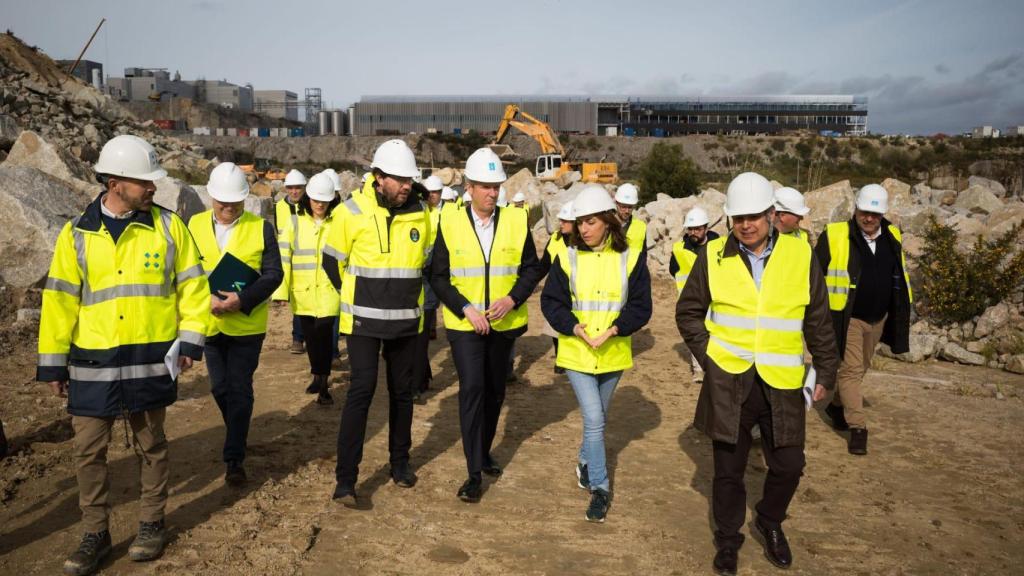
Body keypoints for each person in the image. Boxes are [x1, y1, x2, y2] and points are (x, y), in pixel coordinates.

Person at [37, 135, 210, 574]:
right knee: (88, 452)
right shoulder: (76, 233)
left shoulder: (170, 227)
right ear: (115, 183)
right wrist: (53, 361)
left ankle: (151, 523)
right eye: (144, 181)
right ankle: (95, 532)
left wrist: (191, 340)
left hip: (151, 360)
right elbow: (59, 302)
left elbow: (193, 287)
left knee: (152, 446)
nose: (153, 188)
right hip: (93, 364)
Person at [675, 172, 839, 575]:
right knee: (728, 471)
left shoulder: (800, 255)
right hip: (729, 379)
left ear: (771, 214)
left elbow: (818, 318)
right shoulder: (712, 257)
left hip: (782, 382)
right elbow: (688, 313)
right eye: (738, 218)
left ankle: (769, 519)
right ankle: (728, 540)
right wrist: (710, 354)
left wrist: (826, 372)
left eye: (753, 216)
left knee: (789, 465)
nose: (745, 225)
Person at [429, 147, 544, 503]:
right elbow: (438, 276)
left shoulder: (514, 220)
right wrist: (465, 308)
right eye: (485, 187)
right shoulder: (449, 222)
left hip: (503, 323)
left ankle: (484, 451)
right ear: (470, 188)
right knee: (473, 390)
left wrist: (511, 299)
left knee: (495, 391)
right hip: (466, 327)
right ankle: (473, 472)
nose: (493, 193)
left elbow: (530, 269)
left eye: (496, 186)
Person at [327, 139, 432, 505]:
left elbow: (427, 262)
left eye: (409, 180)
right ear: (378, 177)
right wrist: (355, 297)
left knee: (403, 394)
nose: (406, 185)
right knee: (361, 391)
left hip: (406, 323)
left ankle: (399, 463)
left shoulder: (422, 213)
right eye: (399, 179)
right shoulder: (350, 211)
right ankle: (346, 480)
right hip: (363, 324)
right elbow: (331, 261)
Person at [541, 185, 652, 523]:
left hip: (613, 353)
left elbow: (641, 306)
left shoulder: (631, 256)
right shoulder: (567, 255)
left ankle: (586, 462)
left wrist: (614, 330)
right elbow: (551, 303)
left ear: (607, 221)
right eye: (580, 223)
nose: (583, 229)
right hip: (577, 354)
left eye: (589, 222)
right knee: (594, 418)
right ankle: (601, 488)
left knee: (597, 419)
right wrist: (574, 328)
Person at [187, 162, 283, 486]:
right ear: (211, 197)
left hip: (246, 327)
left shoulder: (261, 228)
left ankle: (234, 458)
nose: (227, 207)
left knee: (240, 389)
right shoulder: (194, 225)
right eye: (221, 201)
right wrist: (207, 301)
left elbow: (273, 274)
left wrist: (242, 301)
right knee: (219, 388)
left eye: (234, 201)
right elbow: (186, 275)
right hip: (210, 323)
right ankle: (237, 431)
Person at [815, 184, 911, 455]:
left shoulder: (892, 235)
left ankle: (835, 405)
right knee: (850, 371)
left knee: (860, 369)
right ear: (856, 209)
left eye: (875, 214)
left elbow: (898, 274)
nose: (869, 219)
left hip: (878, 318)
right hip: (848, 318)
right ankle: (858, 427)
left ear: (883, 215)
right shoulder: (835, 235)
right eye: (865, 212)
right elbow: (814, 275)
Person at [279, 172, 340, 406]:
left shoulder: (338, 222)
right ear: (309, 199)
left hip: (329, 292)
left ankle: (324, 384)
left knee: (324, 336)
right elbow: (285, 256)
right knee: (312, 339)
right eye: (316, 200)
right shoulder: (294, 222)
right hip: (303, 293)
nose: (320, 205)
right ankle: (317, 375)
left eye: (324, 201)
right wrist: (281, 292)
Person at [670, 206, 720, 382]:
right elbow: (673, 270)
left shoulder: (719, 246)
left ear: (706, 228)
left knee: (716, 333)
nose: (693, 232)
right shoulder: (678, 249)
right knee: (695, 331)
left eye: (697, 228)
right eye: (690, 229)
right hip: (691, 300)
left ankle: (715, 366)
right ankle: (698, 369)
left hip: (716, 298)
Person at [274, 168, 308, 355]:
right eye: (291, 188)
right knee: (295, 302)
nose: (294, 191)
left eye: (298, 188)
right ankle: (297, 338)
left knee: (303, 300)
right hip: (286, 259)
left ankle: (300, 338)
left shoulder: (311, 205)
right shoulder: (278, 207)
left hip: (307, 259)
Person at [541, 200, 576, 375]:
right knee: (555, 328)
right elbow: (543, 266)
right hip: (557, 291)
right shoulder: (554, 240)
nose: (561, 223)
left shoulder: (583, 243)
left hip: (577, 293)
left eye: (565, 220)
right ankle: (560, 358)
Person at [614, 183, 646, 252]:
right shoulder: (607, 225)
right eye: (623, 207)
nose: (627, 211)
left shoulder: (640, 227)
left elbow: (643, 254)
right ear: (616, 204)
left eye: (630, 207)